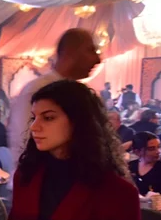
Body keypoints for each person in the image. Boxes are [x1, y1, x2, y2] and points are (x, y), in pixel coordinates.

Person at [9, 80, 139, 220]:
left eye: (48, 118)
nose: (34, 126)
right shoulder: (26, 176)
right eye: (34, 117)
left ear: (79, 122)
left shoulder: (119, 192)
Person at [8, 28, 101, 164]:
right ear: (70, 53)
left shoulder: (79, 93)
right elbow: (25, 145)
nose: (97, 60)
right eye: (90, 50)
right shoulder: (38, 90)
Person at [128, 131, 161, 195]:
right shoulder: (130, 167)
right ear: (137, 152)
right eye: (151, 149)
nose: (158, 151)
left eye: (159, 147)